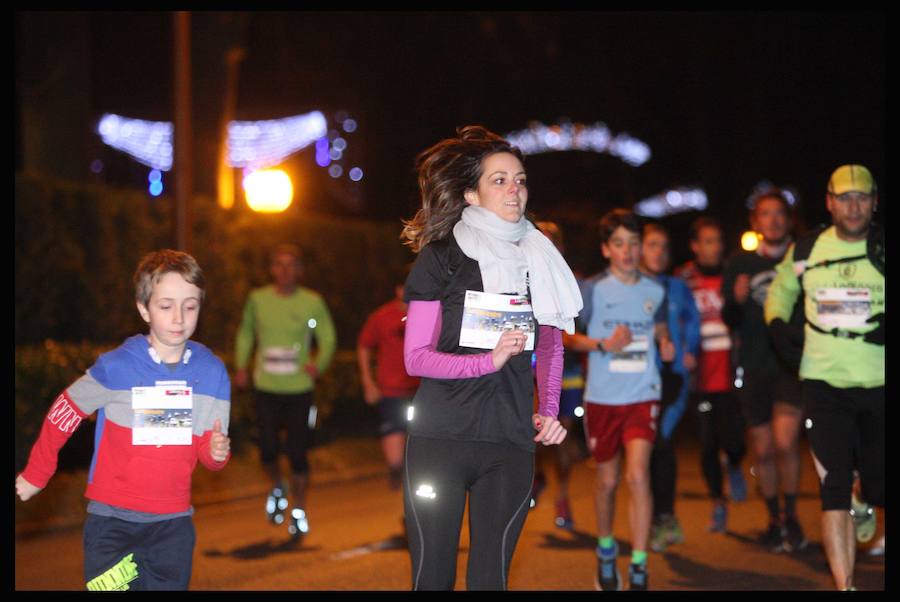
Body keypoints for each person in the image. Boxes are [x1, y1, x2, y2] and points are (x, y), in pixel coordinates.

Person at [399, 125, 581, 590]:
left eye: (519, 179)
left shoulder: (541, 259)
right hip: (440, 439)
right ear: (471, 195)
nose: (514, 189)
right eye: (499, 180)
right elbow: (416, 358)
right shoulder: (441, 257)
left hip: (509, 442)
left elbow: (552, 346)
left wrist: (548, 409)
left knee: (490, 580)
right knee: (431, 579)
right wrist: (486, 360)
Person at [15, 249, 231, 591]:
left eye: (190, 306)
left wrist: (216, 452)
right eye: (165, 306)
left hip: (171, 528)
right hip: (112, 525)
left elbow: (208, 450)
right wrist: (38, 471)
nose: (179, 318)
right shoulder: (116, 367)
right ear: (144, 308)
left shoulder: (212, 371)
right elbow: (65, 411)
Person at [765, 164, 884, 591]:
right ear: (830, 203)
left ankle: (866, 493)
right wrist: (777, 322)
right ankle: (845, 585)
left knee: (877, 480)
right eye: (845, 198)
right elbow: (780, 290)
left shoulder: (883, 247)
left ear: (874, 202)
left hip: (878, 382)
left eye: (863, 198)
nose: (854, 207)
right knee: (832, 482)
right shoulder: (806, 249)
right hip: (823, 381)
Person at [566, 209, 675, 591]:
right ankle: (607, 548)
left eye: (634, 244)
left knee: (637, 474)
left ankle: (641, 565)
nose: (628, 252)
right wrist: (601, 344)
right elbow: (566, 337)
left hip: (643, 395)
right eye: (619, 244)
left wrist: (665, 343)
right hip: (601, 398)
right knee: (608, 481)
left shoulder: (655, 289)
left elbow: (660, 328)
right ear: (606, 249)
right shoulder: (591, 290)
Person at [721, 186, 808, 553]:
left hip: (791, 365)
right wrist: (737, 300)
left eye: (779, 213)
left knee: (787, 442)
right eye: (765, 214)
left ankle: (792, 517)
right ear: (756, 222)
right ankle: (774, 519)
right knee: (765, 449)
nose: (772, 220)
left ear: (788, 220)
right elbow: (729, 318)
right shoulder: (740, 264)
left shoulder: (803, 258)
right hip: (754, 366)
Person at [234, 244, 336, 541]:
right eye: (279, 264)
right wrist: (241, 365)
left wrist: (319, 364)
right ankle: (278, 487)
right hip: (266, 386)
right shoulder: (258, 299)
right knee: (266, 448)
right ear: (271, 269)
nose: (285, 270)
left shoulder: (312, 302)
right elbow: (246, 332)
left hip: (299, 388)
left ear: (300, 270)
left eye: (291, 265)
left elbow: (327, 335)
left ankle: (299, 508)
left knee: (297, 452)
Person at [675, 216, 748, 533]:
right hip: (700, 377)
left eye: (717, 240)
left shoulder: (734, 275)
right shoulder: (684, 279)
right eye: (707, 241)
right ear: (695, 246)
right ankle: (718, 503)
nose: (714, 247)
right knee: (707, 443)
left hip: (732, 371)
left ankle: (734, 464)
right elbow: (674, 318)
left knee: (735, 440)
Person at [639, 222, 701, 553]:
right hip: (637, 378)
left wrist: (689, 348)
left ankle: (664, 516)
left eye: (664, 246)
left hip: (672, 376)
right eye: (652, 245)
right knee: (646, 448)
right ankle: (654, 517)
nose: (659, 253)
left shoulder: (678, 287)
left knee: (661, 441)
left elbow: (693, 321)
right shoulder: (629, 285)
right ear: (639, 248)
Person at [530, 221, 589, 530]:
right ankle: (537, 475)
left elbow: (585, 327)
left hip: (569, 370)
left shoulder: (573, 283)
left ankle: (562, 496)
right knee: (536, 435)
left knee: (562, 436)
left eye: (551, 241)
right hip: (532, 368)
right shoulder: (518, 279)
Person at [357, 265, 420, 491]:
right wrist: (368, 382)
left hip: (422, 393)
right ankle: (400, 485)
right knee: (396, 461)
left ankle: (415, 514)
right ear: (398, 290)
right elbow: (364, 346)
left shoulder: (432, 314)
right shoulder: (382, 317)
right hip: (392, 394)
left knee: (420, 461)